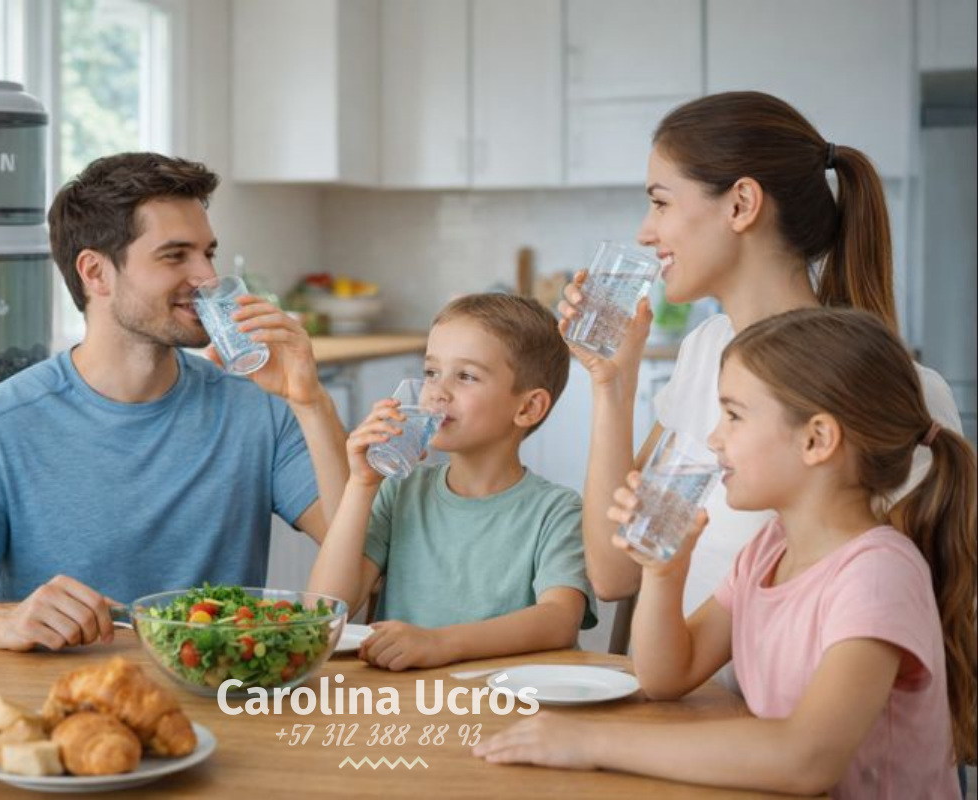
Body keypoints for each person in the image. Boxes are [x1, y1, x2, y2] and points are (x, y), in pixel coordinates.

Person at [474, 308, 976, 798]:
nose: (713, 438)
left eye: (733, 415)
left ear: (817, 439)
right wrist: (665, 573)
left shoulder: (877, 575)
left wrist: (590, 741)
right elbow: (668, 676)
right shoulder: (770, 550)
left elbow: (808, 758)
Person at [0, 153, 348, 663]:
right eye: (175, 256)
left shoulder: (257, 407)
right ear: (96, 272)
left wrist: (310, 400)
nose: (207, 276)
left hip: (223, 696)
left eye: (209, 253)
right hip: (67, 713)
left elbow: (360, 557)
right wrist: (5, 620)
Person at [563, 91, 962, 614]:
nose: (645, 231)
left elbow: (920, 620)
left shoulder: (888, 389)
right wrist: (612, 386)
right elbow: (616, 573)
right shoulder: (705, 352)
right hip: (681, 692)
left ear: (741, 204)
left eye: (660, 202)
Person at [307, 294, 597, 671]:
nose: (437, 392)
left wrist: (441, 642)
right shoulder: (400, 491)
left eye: (466, 376)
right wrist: (360, 486)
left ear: (527, 408)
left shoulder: (556, 510)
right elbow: (323, 611)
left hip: (512, 709)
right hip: (410, 705)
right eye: (431, 372)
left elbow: (559, 619)